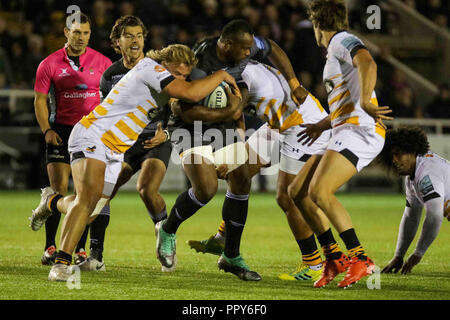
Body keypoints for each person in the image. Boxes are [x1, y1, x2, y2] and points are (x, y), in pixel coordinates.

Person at [29, 43, 240, 282]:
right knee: (86, 200)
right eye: (178, 72)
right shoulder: (150, 67)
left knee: (89, 211)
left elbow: (184, 106)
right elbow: (191, 92)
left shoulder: (162, 81)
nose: (180, 78)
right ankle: (61, 264)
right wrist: (221, 75)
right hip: (95, 134)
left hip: (115, 149)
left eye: (184, 75)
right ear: (166, 62)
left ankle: (51, 201)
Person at [157, 19, 309, 281]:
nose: (248, 54)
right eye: (243, 50)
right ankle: (168, 230)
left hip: (224, 124)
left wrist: (294, 82)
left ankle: (231, 255)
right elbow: (185, 109)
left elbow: (272, 47)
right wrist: (231, 110)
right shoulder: (200, 65)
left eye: (250, 48)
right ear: (226, 45)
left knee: (241, 181)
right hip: (190, 128)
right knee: (205, 189)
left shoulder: (242, 46)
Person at [288, 0, 393, 289]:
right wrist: (322, 125)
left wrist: (365, 99)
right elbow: (344, 98)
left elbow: (368, 61)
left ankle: (361, 259)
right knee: (296, 192)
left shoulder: (341, 41)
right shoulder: (335, 50)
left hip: (361, 130)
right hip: (342, 128)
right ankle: (335, 258)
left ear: (316, 24)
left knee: (319, 192)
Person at [74, 16, 186, 272]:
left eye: (139, 35)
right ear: (117, 41)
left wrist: (167, 134)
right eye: (129, 36)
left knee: (147, 189)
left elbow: (182, 110)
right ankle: (94, 256)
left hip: (156, 140)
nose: (135, 40)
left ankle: (166, 236)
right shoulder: (111, 75)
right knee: (101, 194)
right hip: (121, 144)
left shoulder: (157, 68)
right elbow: (105, 115)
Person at [30, 11, 112, 266]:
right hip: (61, 132)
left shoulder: (103, 62)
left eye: (86, 33)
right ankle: (50, 247)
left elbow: (113, 99)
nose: (81, 38)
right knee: (60, 189)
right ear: (66, 33)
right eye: (76, 32)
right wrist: (47, 130)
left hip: (91, 134)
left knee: (85, 194)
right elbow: (40, 101)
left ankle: (80, 249)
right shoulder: (49, 63)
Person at [379, 127, 449, 274]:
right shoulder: (413, 175)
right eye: (391, 156)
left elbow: (435, 216)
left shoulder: (427, 173)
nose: (394, 160)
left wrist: (418, 253)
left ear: (412, 150)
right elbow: (411, 216)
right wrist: (399, 255)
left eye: (398, 154)